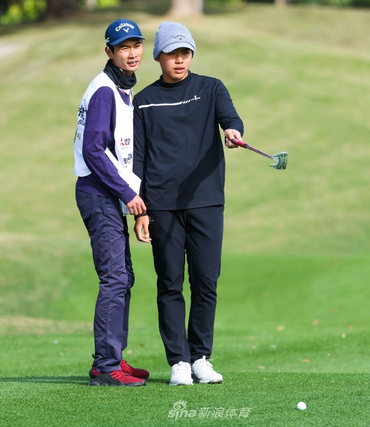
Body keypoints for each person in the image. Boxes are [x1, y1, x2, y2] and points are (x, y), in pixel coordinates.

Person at [133, 21, 244, 386]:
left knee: (206, 281)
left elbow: (230, 117)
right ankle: (178, 361)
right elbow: (138, 159)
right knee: (169, 283)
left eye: (185, 53)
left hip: (206, 201)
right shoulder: (143, 101)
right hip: (161, 204)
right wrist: (140, 210)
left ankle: (200, 358)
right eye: (172, 54)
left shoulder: (211, 88)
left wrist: (232, 131)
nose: (179, 60)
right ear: (158, 57)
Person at [73, 18, 151, 387]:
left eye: (136, 45)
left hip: (107, 194)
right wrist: (128, 194)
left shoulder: (119, 88)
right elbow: (94, 150)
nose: (132, 53)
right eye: (123, 47)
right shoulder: (105, 91)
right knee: (115, 278)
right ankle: (105, 367)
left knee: (123, 277)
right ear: (109, 51)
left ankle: (114, 357)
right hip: (98, 194)